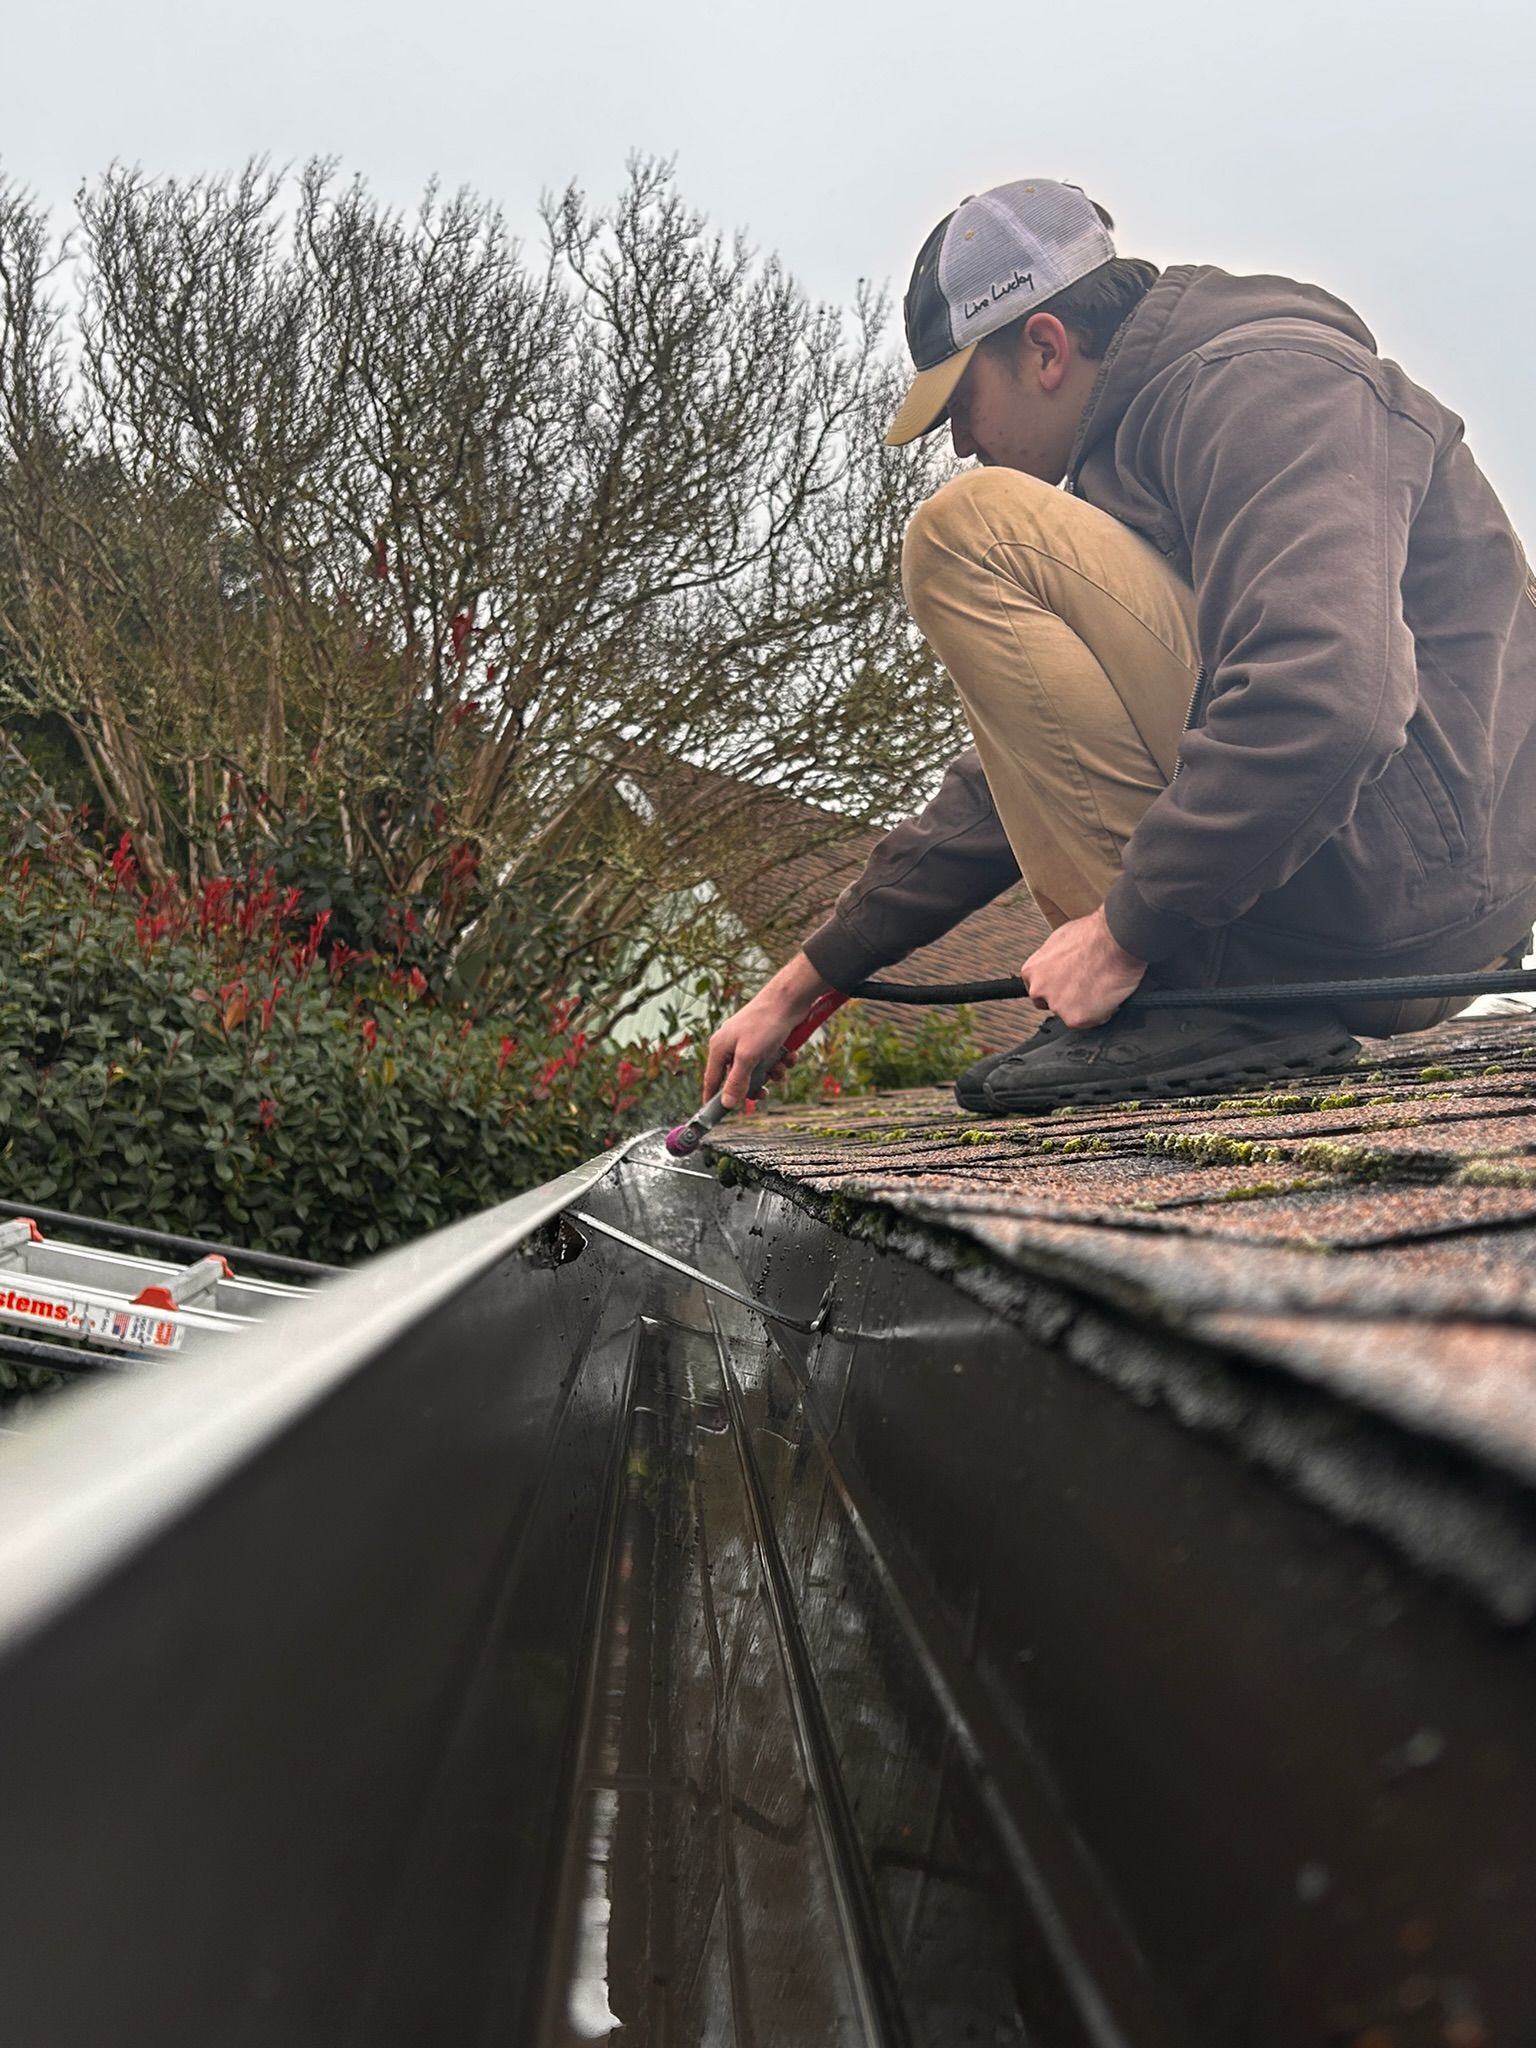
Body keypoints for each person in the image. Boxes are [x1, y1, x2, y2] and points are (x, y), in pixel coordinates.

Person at [704, 179, 1536, 1115]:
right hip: (1344, 879)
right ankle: (1191, 990)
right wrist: (806, 981)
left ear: (1045, 347)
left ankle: (1189, 994)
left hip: (1405, 891)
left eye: (963, 405)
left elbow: (1331, 695)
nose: (964, 442)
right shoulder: (1128, 474)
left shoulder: (1268, 384)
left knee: (964, 528)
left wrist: (1125, 935)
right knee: (989, 532)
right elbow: (1016, 775)